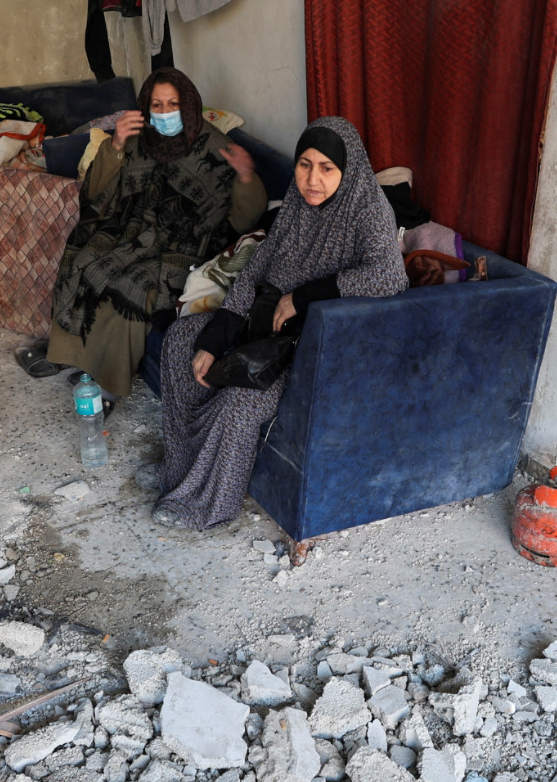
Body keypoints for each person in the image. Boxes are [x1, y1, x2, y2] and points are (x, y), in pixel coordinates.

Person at [147, 116, 407, 529]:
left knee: (239, 402)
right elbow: (254, 272)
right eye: (304, 164)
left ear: (348, 169)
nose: (312, 180)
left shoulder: (368, 210)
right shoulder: (295, 205)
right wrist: (217, 336)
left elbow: (390, 277)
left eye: (326, 168)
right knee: (182, 341)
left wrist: (302, 297)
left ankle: (208, 506)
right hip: (259, 325)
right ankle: (179, 473)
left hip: (301, 352)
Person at [20, 68, 265, 400]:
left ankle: (107, 386)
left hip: (183, 246)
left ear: (189, 105)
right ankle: (68, 356)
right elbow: (96, 193)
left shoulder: (215, 146)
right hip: (132, 230)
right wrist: (115, 144)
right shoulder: (138, 135)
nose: (164, 114)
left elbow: (242, 220)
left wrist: (246, 177)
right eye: (157, 105)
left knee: (133, 286)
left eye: (173, 104)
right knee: (86, 254)